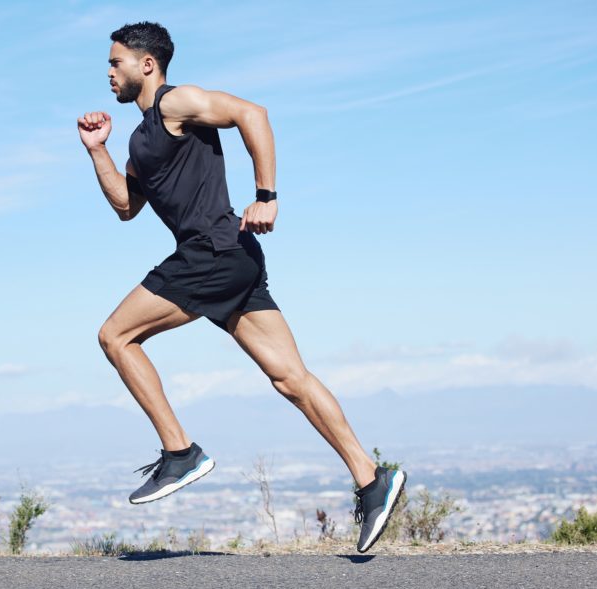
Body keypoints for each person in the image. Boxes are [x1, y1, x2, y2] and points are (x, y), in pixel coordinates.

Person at [77, 21, 406, 552]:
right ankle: (372, 479)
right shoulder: (142, 138)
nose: (107, 72)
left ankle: (179, 452)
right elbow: (125, 206)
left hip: (211, 250)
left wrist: (267, 194)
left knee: (115, 337)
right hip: (234, 258)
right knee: (290, 378)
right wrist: (97, 151)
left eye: (115, 62)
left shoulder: (174, 103)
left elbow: (253, 113)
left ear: (146, 64)